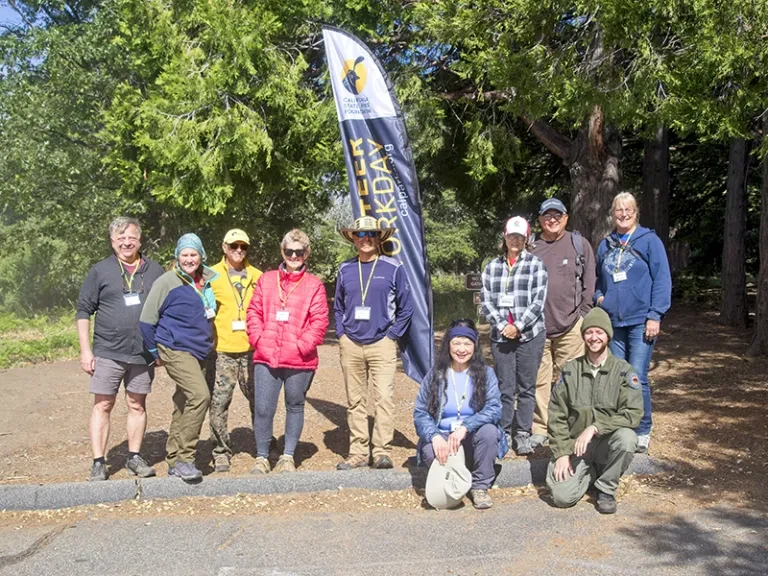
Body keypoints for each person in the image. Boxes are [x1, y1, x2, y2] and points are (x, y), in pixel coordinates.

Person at [76, 217, 164, 481]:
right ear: (112, 242)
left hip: (143, 353)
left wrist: (161, 347)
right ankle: (99, 461)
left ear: (140, 240)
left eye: (132, 238)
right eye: (120, 238)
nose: (127, 242)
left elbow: (166, 310)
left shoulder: (154, 270)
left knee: (137, 404)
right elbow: (83, 311)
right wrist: (85, 351)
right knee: (103, 404)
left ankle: (134, 457)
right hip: (108, 351)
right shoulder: (100, 270)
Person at [594, 192, 672, 454]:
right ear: (612, 213)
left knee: (636, 375)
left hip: (641, 321)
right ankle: (622, 425)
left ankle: (642, 428)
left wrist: (655, 315)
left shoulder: (649, 241)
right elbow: (597, 280)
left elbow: (662, 279)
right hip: (614, 322)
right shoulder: (605, 244)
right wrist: (599, 297)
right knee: (618, 375)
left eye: (628, 209)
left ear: (636, 212)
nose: (623, 214)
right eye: (618, 210)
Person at [334, 216, 414, 470]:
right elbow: (338, 307)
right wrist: (341, 334)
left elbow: (406, 306)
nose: (366, 239)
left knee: (383, 399)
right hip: (351, 344)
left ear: (379, 238)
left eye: (371, 234)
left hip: (382, 343)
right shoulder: (345, 269)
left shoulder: (393, 267)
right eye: (361, 234)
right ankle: (357, 452)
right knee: (355, 400)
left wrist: (392, 336)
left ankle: (381, 451)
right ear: (354, 239)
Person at [246, 229, 328, 474]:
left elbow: (319, 321)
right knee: (263, 408)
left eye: (299, 252)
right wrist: (259, 340)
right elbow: (253, 312)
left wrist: (302, 345)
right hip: (267, 355)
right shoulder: (267, 279)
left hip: (299, 359)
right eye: (290, 251)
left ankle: (287, 456)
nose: (294, 255)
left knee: (294, 404)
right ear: (282, 251)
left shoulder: (314, 285)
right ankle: (261, 456)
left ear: (306, 254)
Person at [547, 307, 643, 514]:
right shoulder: (570, 370)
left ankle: (606, 488)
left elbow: (633, 414)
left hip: (607, 443)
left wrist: (595, 427)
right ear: (583, 336)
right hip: (576, 447)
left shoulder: (624, 371)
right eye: (589, 332)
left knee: (627, 439)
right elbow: (556, 415)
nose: (594, 337)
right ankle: (591, 472)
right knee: (561, 497)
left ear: (608, 336)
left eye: (599, 332)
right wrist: (562, 454)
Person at [139, 233, 218, 482]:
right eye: (184, 254)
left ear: (201, 256)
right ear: (177, 257)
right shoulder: (167, 282)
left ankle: (173, 459)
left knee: (184, 402)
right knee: (199, 396)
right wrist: (155, 353)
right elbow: (146, 321)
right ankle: (186, 459)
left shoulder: (204, 283)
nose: (189, 259)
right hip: (174, 347)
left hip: (200, 350)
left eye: (193, 254)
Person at [413, 319, 505, 510]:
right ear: (448, 345)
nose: (461, 349)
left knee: (489, 432)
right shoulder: (435, 374)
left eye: (467, 343)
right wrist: (435, 436)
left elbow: (494, 408)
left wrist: (466, 427)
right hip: (444, 437)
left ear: (474, 346)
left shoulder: (486, 374)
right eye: (456, 343)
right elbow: (420, 412)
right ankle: (456, 484)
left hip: (471, 437)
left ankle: (479, 487)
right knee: (430, 450)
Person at [529, 198, 596, 449]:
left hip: (571, 326)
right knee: (540, 380)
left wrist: (583, 314)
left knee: (570, 379)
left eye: (557, 215)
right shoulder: (532, 247)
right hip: (537, 327)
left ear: (566, 218)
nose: (552, 219)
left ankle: (568, 425)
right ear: (540, 220)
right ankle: (541, 428)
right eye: (547, 215)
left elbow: (589, 279)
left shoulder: (578, 244)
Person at [481, 216, 548, 456]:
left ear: (527, 238)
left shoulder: (536, 265)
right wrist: (502, 326)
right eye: (512, 236)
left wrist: (518, 326)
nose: (515, 241)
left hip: (529, 335)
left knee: (527, 387)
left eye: (520, 237)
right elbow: (485, 302)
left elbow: (538, 301)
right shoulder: (492, 267)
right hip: (501, 337)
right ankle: (505, 431)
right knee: (504, 387)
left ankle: (523, 433)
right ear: (505, 237)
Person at [207, 229, 263, 473]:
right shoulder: (210, 274)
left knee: (259, 402)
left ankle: (262, 448)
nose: (239, 251)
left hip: (252, 350)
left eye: (243, 246)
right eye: (233, 246)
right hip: (223, 351)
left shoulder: (258, 276)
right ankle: (220, 451)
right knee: (219, 403)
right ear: (224, 247)